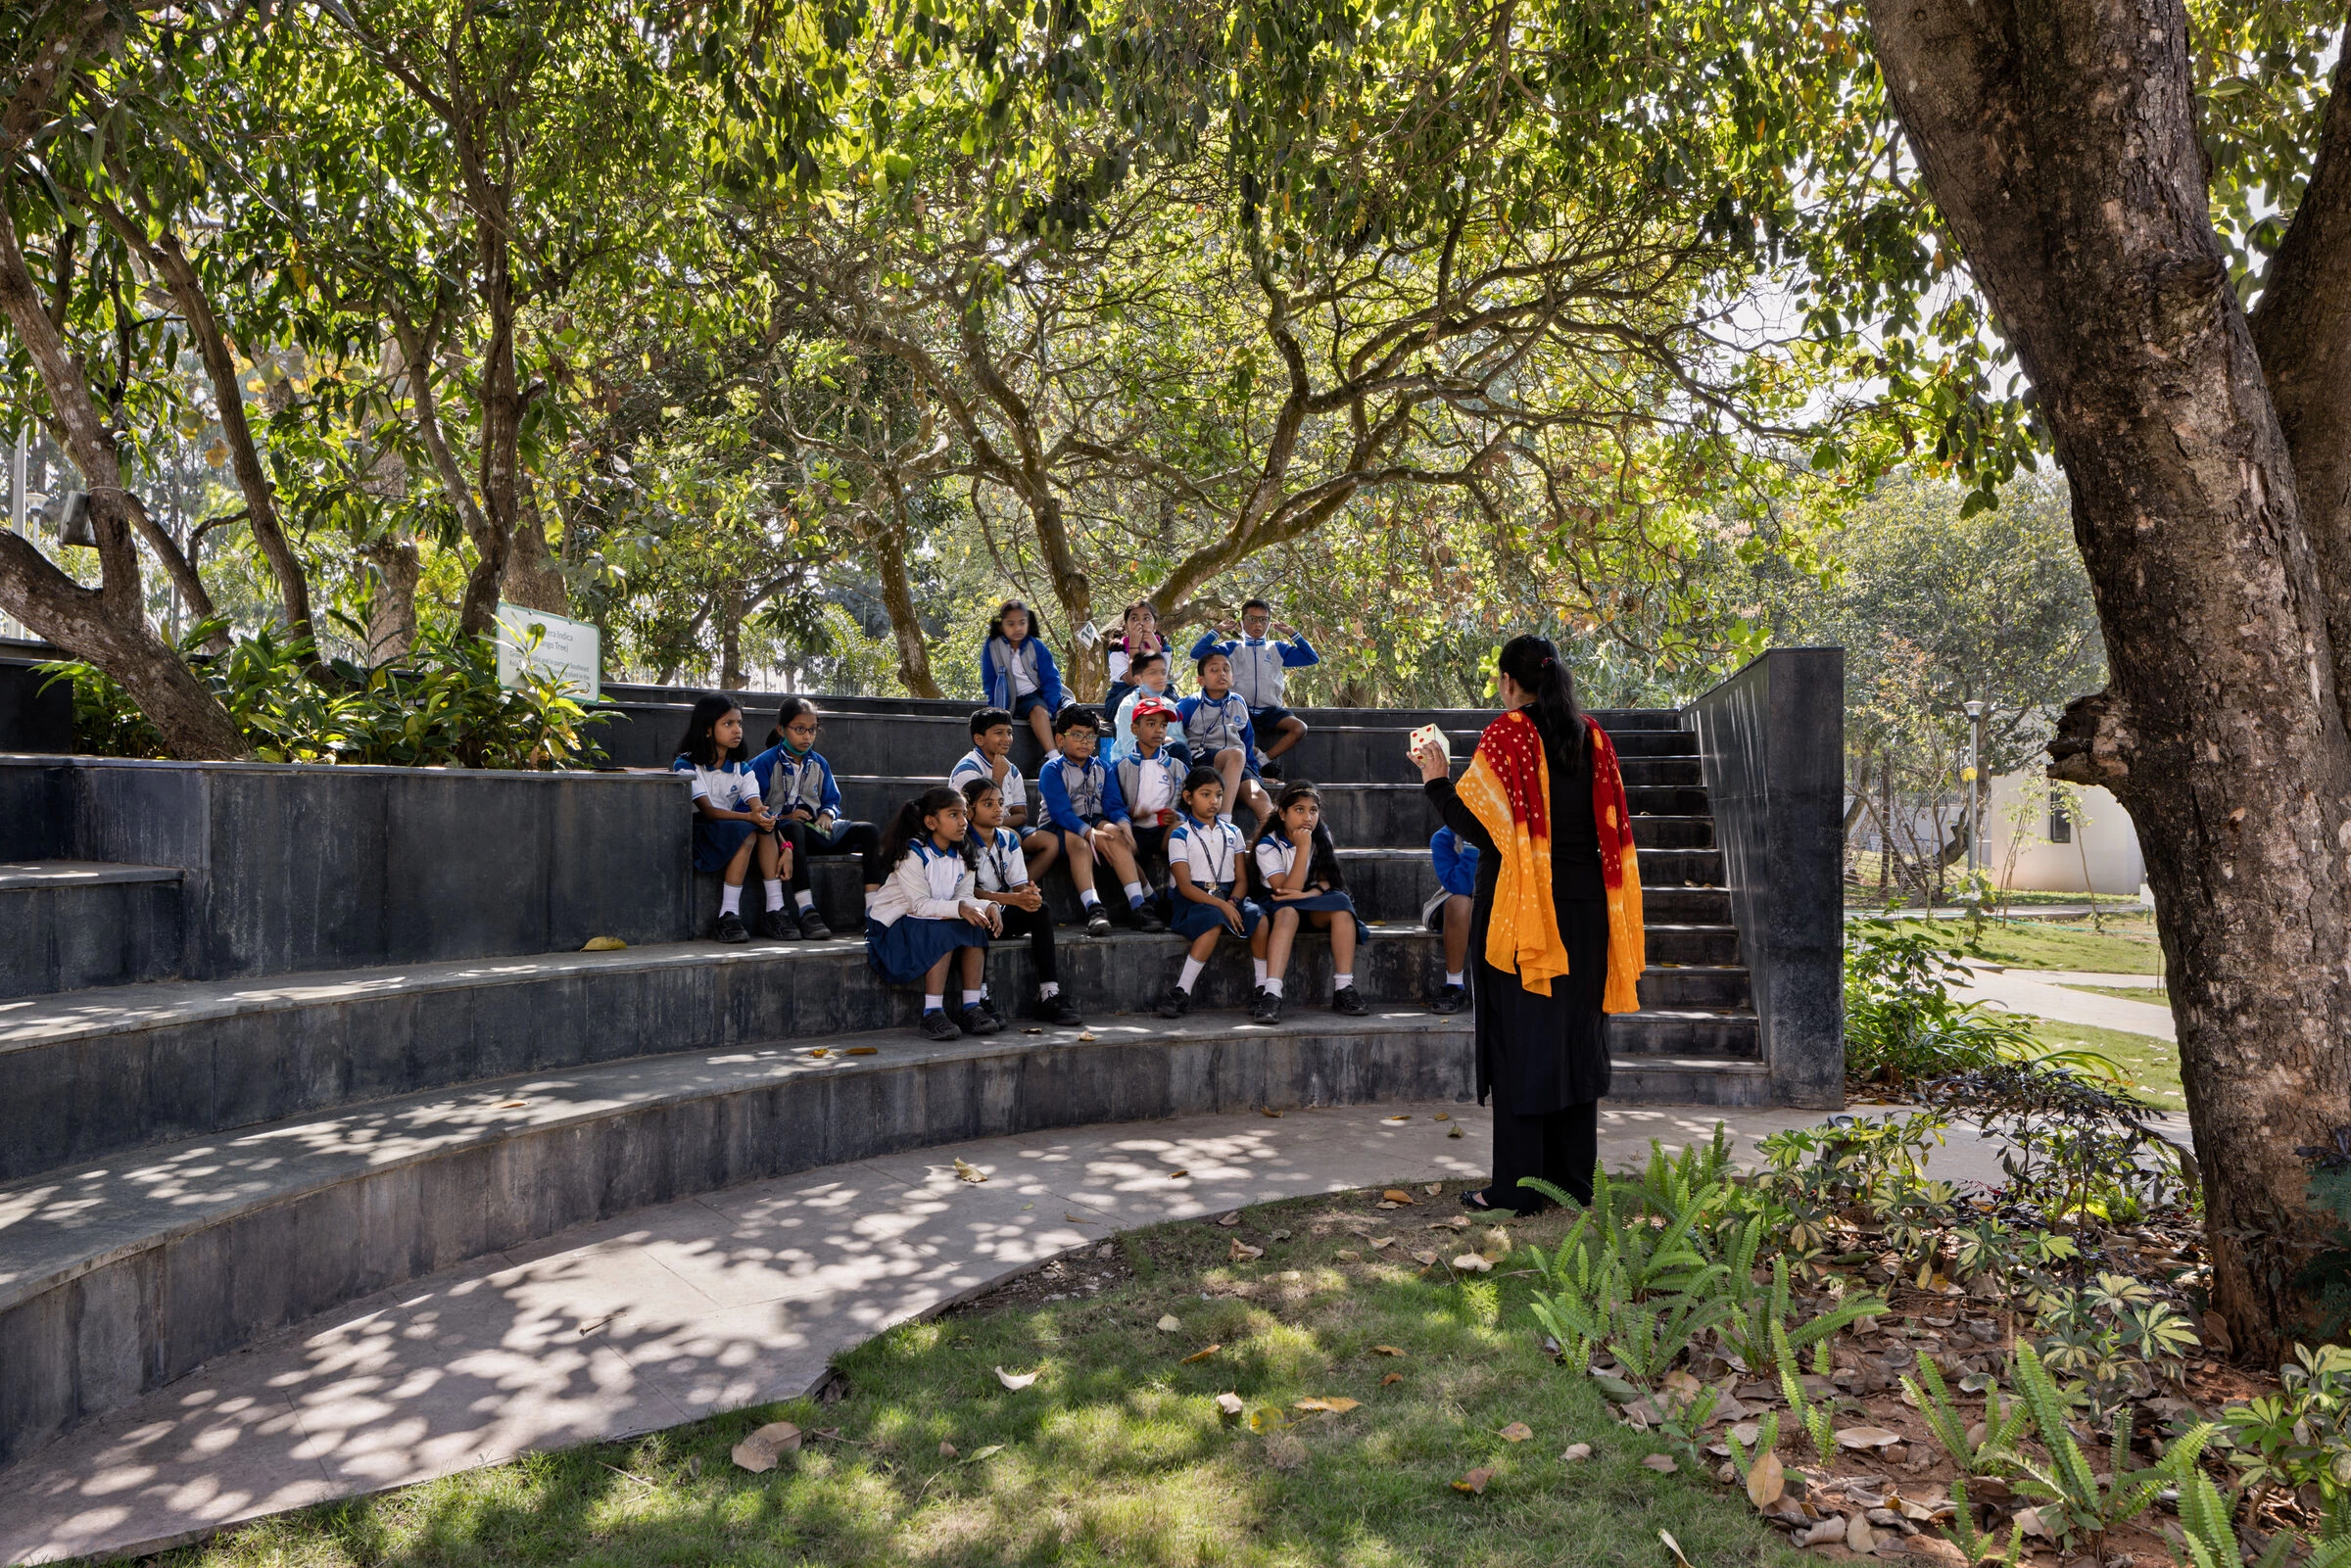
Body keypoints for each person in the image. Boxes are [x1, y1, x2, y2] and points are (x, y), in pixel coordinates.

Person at [1411, 635, 1646, 1214]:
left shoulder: (1508, 732)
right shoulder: (1592, 736)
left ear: (1510, 682)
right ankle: (1572, 1184)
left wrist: (1436, 778)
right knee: (1576, 1040)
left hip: (1523, 912)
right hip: (1588, 911)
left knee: (1522, 1042)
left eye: (1501, 680)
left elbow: (1481, 825)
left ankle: (1516, 1188)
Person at [866, 785, 1003, 1041]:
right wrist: (960, 909)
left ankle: (972, 1006)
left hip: (927, 919)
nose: (963, 822)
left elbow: (964, 897)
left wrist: (989, 907)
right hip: (891, 929)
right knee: (944, 928)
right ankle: (932, 1012)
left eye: (964, 814)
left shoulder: (963, 851)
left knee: (974, 925)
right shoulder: (912, 853)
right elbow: (919, 905)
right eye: (953, 815)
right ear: (931, 822)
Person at [748, 696, 884, 938]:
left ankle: (873, 911)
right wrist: (783, 816)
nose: (807, 737)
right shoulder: (764, 763)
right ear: (781, 729)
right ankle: (807, 910)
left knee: (869, 831)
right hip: (781, 834)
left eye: (812, 730)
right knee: (793, 827)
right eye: (799, 729)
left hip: (816, 830)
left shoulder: (819, 763)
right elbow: (752, 805)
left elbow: (832, 799)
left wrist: (826, 814)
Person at [959, 778, 1087, 1025]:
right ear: (970, 810)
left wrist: (1029, 896)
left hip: (1000, 914)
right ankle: (980, 998)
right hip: (973, 912)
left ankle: (1049, 995)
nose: (998, 810)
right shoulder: (961, 841)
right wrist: (1012, 899)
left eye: (1001, 803)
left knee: (1041, 909)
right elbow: (967, 892)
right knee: (974, 915)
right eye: (988, 804)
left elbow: (1019, 884)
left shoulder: (1008, 839)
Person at [1034, 706, 1167, 934]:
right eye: (1076, 735)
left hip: (1095, 820)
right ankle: (1094, 908)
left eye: (1090, 736)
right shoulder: (1052, 769)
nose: (1084, 741)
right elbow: (1060, 812)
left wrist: (1124, 824)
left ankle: (1139, 906)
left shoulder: (1103, 767)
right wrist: (1089, 833)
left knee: (1114, 832)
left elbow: (1114, 806)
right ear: (1060, 739)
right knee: (1080, 843)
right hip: (1059, 827)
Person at [672, 695, 792, 943]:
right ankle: (728, 913)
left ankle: (775, 908)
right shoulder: (686, 764)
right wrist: (751, 817)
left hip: (732, 826)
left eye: (739, 723)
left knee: (761, 825)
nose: (737, 730)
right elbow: (708, 811)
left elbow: (758, 808)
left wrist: (774, 830)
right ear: (707, 729)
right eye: (728, 724)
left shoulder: (742, 767)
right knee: (748, 827)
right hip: (699, 832)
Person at [1155, 767, 1271, 1018]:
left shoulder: (1233, 832)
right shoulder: (1180, 834)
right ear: (1188, 797)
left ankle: (1262, 989)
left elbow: (1241, 879)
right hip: (1193, 899)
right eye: (1205, 794)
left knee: (1260, 919)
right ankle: (1181, 991)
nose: (1214, 801)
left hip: (1230, 895)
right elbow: (1184, 886)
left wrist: (1233, 901)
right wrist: (1222, 906)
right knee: (1213, 921)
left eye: (1219, 795)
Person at [1252, 780, 1371, 1022]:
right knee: (1288, 913)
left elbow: (1329, 878)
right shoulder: (1268, 845)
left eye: (1313, 811)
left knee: (1340, 907)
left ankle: (1343, 988)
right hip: (1277, 902)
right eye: (1299, 810)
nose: (1308, 817)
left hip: (1309, 898)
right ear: (1283, 813)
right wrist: (1303, 848)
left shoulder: (1321, 833)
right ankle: (1272, 993)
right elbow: (1287, 890)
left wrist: (1309, 894)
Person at [1189, 598, 1319, 777]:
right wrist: (1218, 630)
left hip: (1270, 711)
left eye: (1263, 619)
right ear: (1242, 622)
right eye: (1252, 619)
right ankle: (1254, 754)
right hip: (1240, 710)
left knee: (1299, 728)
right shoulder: (1231, 648)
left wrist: (1292, 633)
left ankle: (1262, 760)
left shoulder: (1277, 649)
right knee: (1230, 732)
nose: (1258, 624)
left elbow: (1311, 658)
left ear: (1269, 622)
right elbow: (1196, 653)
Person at [948, 706, 1062, 882]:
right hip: (971, 830)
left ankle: (1019, 889)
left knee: (1050, 842)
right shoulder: (968, 769)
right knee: (1011, 837)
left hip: (1003, 825)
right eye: (998, 733)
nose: (1006, 739)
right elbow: (972, 816)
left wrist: (999, 821)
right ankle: (1000, 891)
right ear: (979, 739)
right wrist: (997, 778)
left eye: (1009, 733)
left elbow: (1021, 815)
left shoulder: (1013, 770)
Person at [1177, 649, 1275, 827]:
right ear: (1201, 680)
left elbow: (1247, 741)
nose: (1222, 673)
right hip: (1203, 760)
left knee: (1259, 796)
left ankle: (1269, 845)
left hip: (1237, 763)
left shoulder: (1238, 702)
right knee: (1236, 755)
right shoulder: (1189, 704)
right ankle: (1224, 823)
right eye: (1214, 670)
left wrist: (1255, 773)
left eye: (1226, 669)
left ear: (1232, 677)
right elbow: (1174, 734)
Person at [1116, 694, 1188, 889]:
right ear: (1134, 729)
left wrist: (1176, 815)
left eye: (1163, 725)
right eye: (1151, 723)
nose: (1159, 730)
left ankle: (1176, 891)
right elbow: (1112, 804)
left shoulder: (1177, 767)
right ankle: (1147, 894)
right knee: (1116, 841)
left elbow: (1188, 801)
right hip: (1133, 831)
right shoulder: (1120, 767)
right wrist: (1131, 814)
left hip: (1163, 832)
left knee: (1182, 830)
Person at [979, 599, 1065, 755]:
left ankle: (1052, 755)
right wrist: (995, 707)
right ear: (1001, 625)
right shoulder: (992, 647)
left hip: (1032, 697)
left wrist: (1050, 708)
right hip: (1005, 697)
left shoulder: (1036, 646)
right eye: (1011, 624)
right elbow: (990, 680)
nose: (1017, 628)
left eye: (1022, 623)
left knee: (1038, 710)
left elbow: (1051, 679)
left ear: (1028, 623)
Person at [1424, 825, 1480, 1013]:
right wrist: (1472, 846)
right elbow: (1461, 886)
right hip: (1462, 901)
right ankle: (1454, 984)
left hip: (1501, 900)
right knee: (1459, 903)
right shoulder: (1443, 838)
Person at [1110, 649, 1192, 766]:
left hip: (1164, 759)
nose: (1160, 678)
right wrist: (1160, 741)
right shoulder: (1128, 706)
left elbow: (1179, 740)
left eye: (1163, 673)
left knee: (1180, 750)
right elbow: (1128, 747)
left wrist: (1163, 742)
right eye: (1153, 673)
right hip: (1130, 764)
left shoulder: (1169, 705)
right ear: (1138, 679)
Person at [1101, 600, 1170, 726]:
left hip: (1156, 690)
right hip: (1123, 694)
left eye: (1146, 618)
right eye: (1134, 619)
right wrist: (1134, 646)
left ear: (1155, 626)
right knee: (1137, 694)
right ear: (1126, 627)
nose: (1140, 623)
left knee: (1170, 698)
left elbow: (1161, 676)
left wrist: (1155, 647)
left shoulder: (1165, 649)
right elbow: (1132, 681)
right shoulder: (1117, 650)